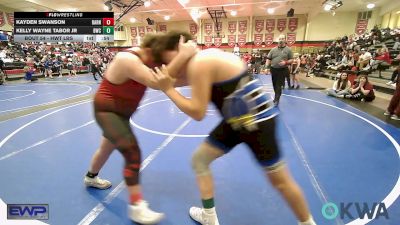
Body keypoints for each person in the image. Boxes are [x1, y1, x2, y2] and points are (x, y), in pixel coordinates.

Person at [152, 46, 316, 225]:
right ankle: (209, 216)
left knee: (281, 182)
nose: (170, 66)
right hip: (236, 121)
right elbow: (167, 79)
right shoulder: (203, 61)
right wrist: (165, 81)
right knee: (199, 160)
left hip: (257, 122)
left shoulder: (200, 63)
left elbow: (197, 113)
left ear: (180, 51)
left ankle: (308, 223)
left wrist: (168, 89)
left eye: (169, 61)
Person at [84, 31, 197, 224]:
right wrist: (185, 55)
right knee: (132, 152)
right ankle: (137, 206)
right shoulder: (126, 58)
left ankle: (90, 177)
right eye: (176, 54)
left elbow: (172, 80)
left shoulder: (153, 62)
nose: (175, 61)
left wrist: (204, 75)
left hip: (121, 115)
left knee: (106, 148)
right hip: (107, 111)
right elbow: (157, 83)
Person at [265, 34, 293, 106]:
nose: (281, 40)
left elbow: (292, 60)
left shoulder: (288, 50)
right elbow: (268, 59)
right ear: (278, 40)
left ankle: (277, 99)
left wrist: (285, 62)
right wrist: (266, 68)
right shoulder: (273, 49)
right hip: (273, 69)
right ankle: (276, 96)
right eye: (280, 39)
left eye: (282, 39)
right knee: (274, 84)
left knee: (278, 85)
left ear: (285, 40)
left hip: (282, 70)